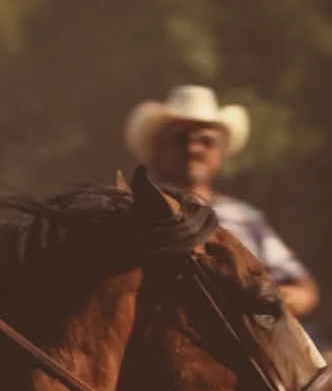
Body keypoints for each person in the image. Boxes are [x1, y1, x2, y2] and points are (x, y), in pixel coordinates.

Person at [125, 83, 317, 316]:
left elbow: (304, 289)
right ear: (157, 146)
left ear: (221, 152)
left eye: (206, 141)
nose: (194, 148)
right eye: (180, 139)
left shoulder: (246, 216)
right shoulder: (128, 210)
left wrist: (275, 298)